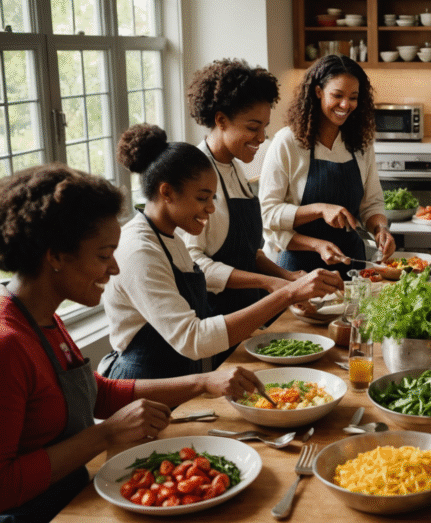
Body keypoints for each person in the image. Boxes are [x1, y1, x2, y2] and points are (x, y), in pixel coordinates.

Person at [0, 164, 265, 521]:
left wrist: (203, 382)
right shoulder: (8, 344)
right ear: (56, 255)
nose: (114, 268)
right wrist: (104, 435)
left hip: (73, 500)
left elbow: (97, 394)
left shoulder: (44, 320)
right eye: (103, 255)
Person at [101, 124, 340, 379]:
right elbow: (193, 339)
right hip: (141, 383)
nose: (211, 208)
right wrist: (287, 293)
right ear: (167, 192)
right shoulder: (139, 250)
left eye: (212, 198)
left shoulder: (171, 238)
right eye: (202, 198)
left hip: (177, 379)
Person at [182, 59, 303, 316]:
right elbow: (194, 262)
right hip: (217, 316)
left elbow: (248, 253)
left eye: (264, 128)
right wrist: (268, 282)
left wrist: (288, 276)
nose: (261, 138)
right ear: (221, 120)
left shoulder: (234, 167)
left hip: (249, 311)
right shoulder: (195, 175)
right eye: (252, 127)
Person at [259, 54, 395, 273]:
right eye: (337, 95)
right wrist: (320, 211)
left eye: (353, 97)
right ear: (318, 92)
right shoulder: (288, 142)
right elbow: (268, 214)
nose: (345, 104)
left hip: (352, 266)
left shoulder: (360, 143)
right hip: (298, 270)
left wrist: (381, 229)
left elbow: (371, 204)